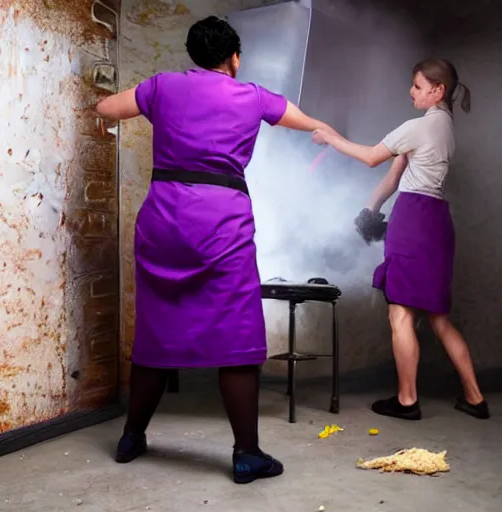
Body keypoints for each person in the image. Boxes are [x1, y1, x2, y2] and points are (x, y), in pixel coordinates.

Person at [96, 15, 341, 484]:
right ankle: (246, 454)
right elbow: (301, 119)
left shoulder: (161, 87)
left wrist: (98, 99)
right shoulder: (251, 96)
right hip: (221, 222)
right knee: (237, 339)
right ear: (234, 58)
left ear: (194, 54)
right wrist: (324, 129)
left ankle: (131, 438)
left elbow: (109, 108)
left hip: (163, 217)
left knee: (156, 329)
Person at [312, 58, 490, 421]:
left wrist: (329, 136)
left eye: (417, 86)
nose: (411, 92)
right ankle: (475, 397)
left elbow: (371, 158)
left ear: (437, 90)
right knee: (439, 318)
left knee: (400, 313)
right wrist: (369, 210)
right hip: (436, 220)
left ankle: (407, 400)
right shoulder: (443, 128)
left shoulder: (419, 127)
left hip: (414, 219)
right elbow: (396, 174)